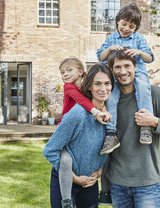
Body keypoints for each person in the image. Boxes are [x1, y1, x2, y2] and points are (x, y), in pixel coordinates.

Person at [105, 49, 160, 207]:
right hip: (117, 182)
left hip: (147, 182)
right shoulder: (108, 100)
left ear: (135, 67)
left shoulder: (153, 93)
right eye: (118, 67)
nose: (123, 71)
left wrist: (154, 122)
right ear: (112, 70)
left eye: (127, 66)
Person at [44, 60, 112, 208]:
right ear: (89, 86)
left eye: (107, 84)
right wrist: (74, 178)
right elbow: (50, 150)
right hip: (65, 180)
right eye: (97, 84)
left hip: (90, 183)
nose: (103, 89)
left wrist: (100, 170)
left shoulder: (110, 117)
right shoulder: (77, 114)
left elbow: (108, 149)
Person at [97, 3, 155, 156]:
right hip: (116, 76)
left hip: (138, 73)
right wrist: (109, 50)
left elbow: (150, 58)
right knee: (112, 97)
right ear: (117, 22)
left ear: (136, 28)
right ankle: (111, 134)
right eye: (124, 24)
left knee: (143, 88)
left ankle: (145, 127)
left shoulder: (139, 39)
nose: (126, 28)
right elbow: (100, 57)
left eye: (131, 26)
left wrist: (140, 53)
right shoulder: (111, 39)